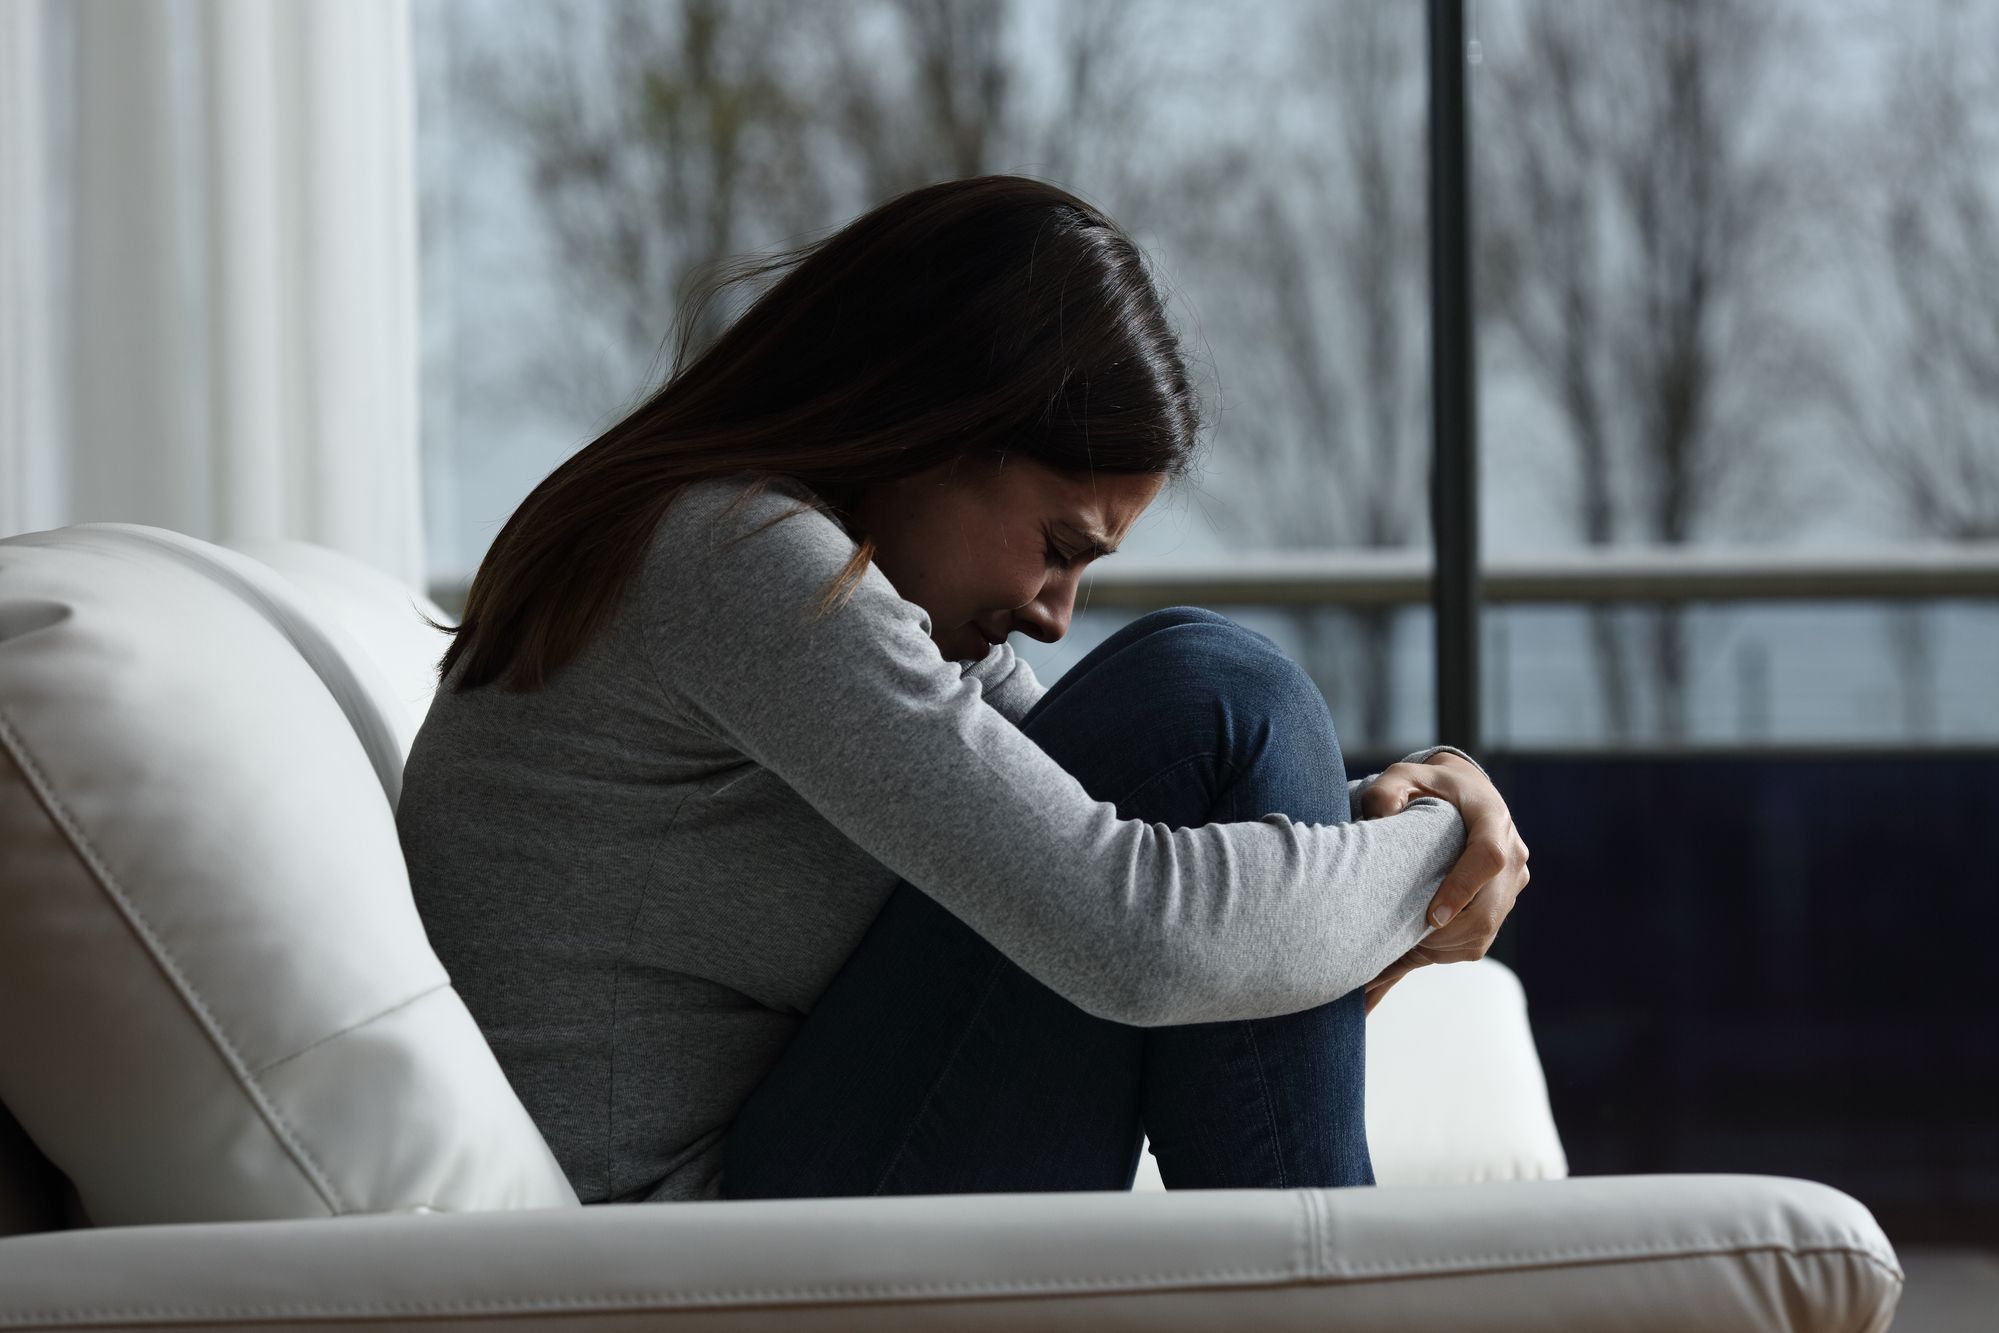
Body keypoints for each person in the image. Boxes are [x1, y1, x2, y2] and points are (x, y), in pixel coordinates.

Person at [397, 174, 1531, 1206]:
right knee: (1215, 686)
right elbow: (1130, 930)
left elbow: (1124, 828)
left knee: (1223, 702)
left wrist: (1405, 802)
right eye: (1056, 543)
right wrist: (1433, 855)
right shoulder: (737, 558)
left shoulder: (825, 579)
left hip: (781, 1190)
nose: (1054, 612)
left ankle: (1334, 1294)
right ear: (931, 427)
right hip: (706, 1260)